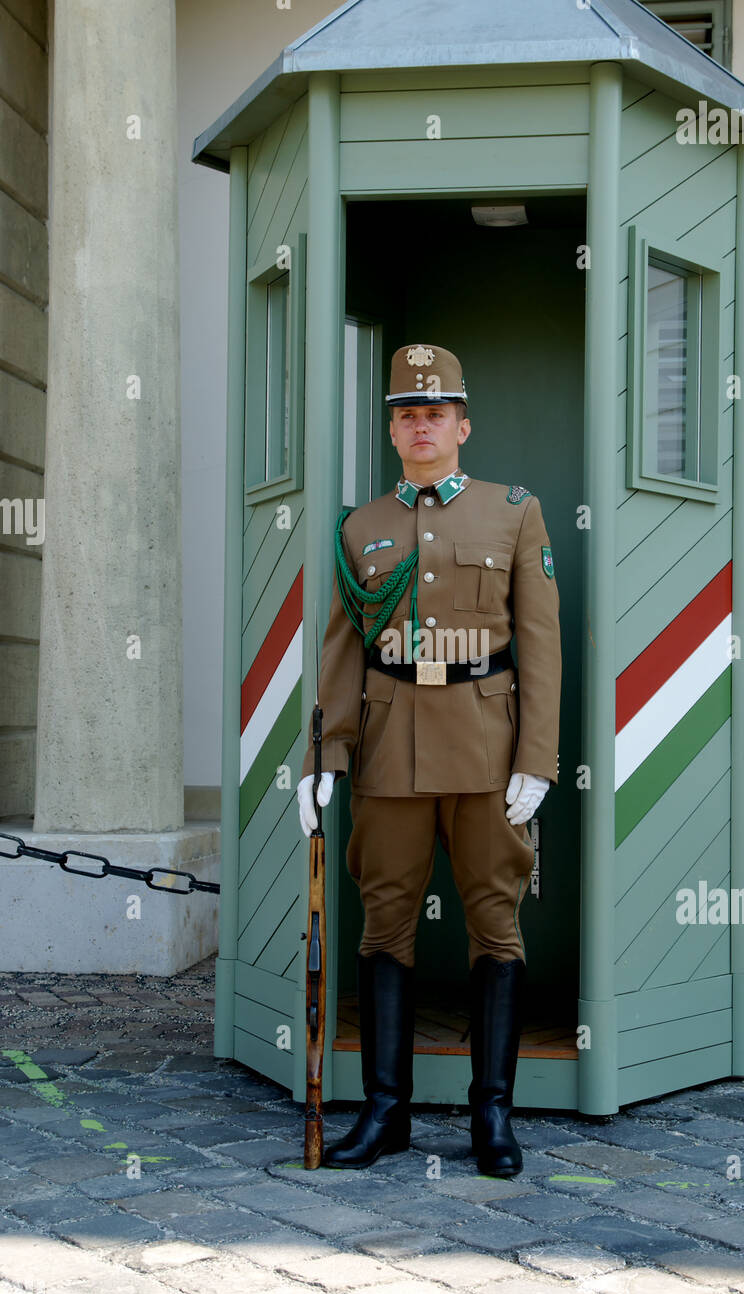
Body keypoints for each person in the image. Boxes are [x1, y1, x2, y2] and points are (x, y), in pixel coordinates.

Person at [298, 343, 561, 1176]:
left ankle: (492, 1117)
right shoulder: (360, 526)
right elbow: (343, 650)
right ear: (393, 430)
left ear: (462, 425)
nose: (421, 425)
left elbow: (542, 644)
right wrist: (328, 753)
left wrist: (540, 757)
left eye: (435, 413)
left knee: (495, 925)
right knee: (385, 927)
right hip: (390, 750)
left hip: (488, 748)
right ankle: (386, 1112)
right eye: (407, 414)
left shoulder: (514, 511)